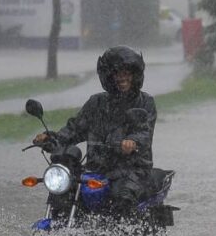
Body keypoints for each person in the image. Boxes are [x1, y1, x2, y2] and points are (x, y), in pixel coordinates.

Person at [33, 45, 157, 218]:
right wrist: (51, 138)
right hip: (96, 169)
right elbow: (74, 129)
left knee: (122, 198)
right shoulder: (96, 103)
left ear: (135, 75)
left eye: (126, 73)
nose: (122, 78)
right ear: (109, 76)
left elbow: (144, 132)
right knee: (65, 192)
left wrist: (132, 142)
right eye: (117, 73)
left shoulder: (145, 103)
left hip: (131, 169)